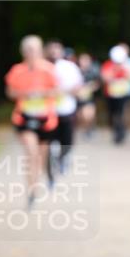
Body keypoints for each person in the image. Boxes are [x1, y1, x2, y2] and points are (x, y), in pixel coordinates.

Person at [4, 35, 59, 206]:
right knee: (31, 152)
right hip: (25, 117)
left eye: (34, 49)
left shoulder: (49, 69)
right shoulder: (16, 70)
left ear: (40, 51)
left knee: (40, 156)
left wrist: (42, 93)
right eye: (28, 49)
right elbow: (10, 92)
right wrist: (25, 94)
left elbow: (58, 91)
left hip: (46, 118)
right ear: (23, 52)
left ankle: (39, 181)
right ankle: (31, 190)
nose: (31, 53)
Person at [44, 40, 83, 175]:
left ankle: (64, 157)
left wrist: (63, 92)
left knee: (67, 139)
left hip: (66, 109)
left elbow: (78, 87)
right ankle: (51, 162)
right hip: (47, 110)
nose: (54, 52)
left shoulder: (70, 67)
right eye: (51, 49)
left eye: (57, 49)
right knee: (50, 139)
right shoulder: (42, 67)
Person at [100, 45, 130, 144]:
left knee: (122, 113)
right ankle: (115, 131)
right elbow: (104, 78)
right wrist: (114, 73)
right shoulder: (108, 65)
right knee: (112, 114)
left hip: (123, 94)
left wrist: (125, 72)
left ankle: (121, 132)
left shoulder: (126, 66)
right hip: (110, 95)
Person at [76, 52, 101, 137]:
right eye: (82, 59)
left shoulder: (93, 71)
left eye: (86, 60)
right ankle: (85, 129)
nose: (84, 61)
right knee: (81, 116)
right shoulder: (75, 71)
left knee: (88, 115)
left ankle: (90, 129)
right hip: (77, 99)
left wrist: (90, 88)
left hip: (89, 99)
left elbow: (98, 83)